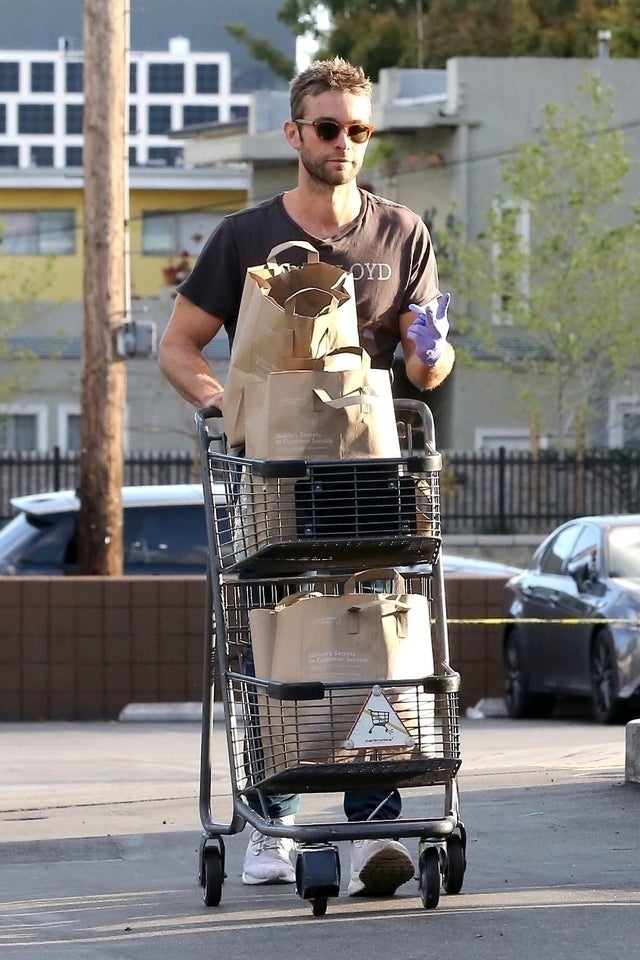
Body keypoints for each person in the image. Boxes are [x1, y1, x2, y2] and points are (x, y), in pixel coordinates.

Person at [158, 56, 455, 897]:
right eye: (329, 128)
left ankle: (373, 823)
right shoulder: (247, 238)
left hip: (369, 473)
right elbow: (177, 345)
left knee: (376, 643)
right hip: (275, 478)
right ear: (295, 134)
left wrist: (433, 354)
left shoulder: (401, 234)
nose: (345, 144)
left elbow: (429, 362)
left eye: (359, 130)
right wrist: (228, 406)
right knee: (268, 640)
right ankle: (275, 819)